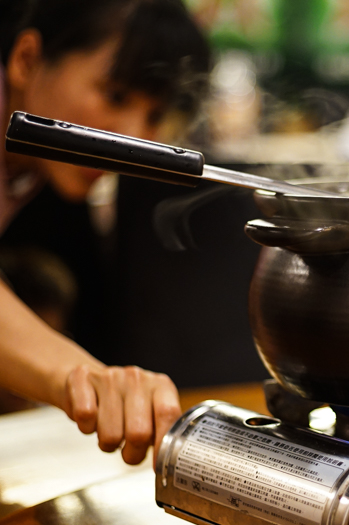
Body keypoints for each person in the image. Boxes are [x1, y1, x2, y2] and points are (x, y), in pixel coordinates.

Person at [0, 0, 210, 466]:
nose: (134, 140)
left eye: (153, 115)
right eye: (114, 95)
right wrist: (85, 378)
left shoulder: (33, 164)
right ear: (27, 60)